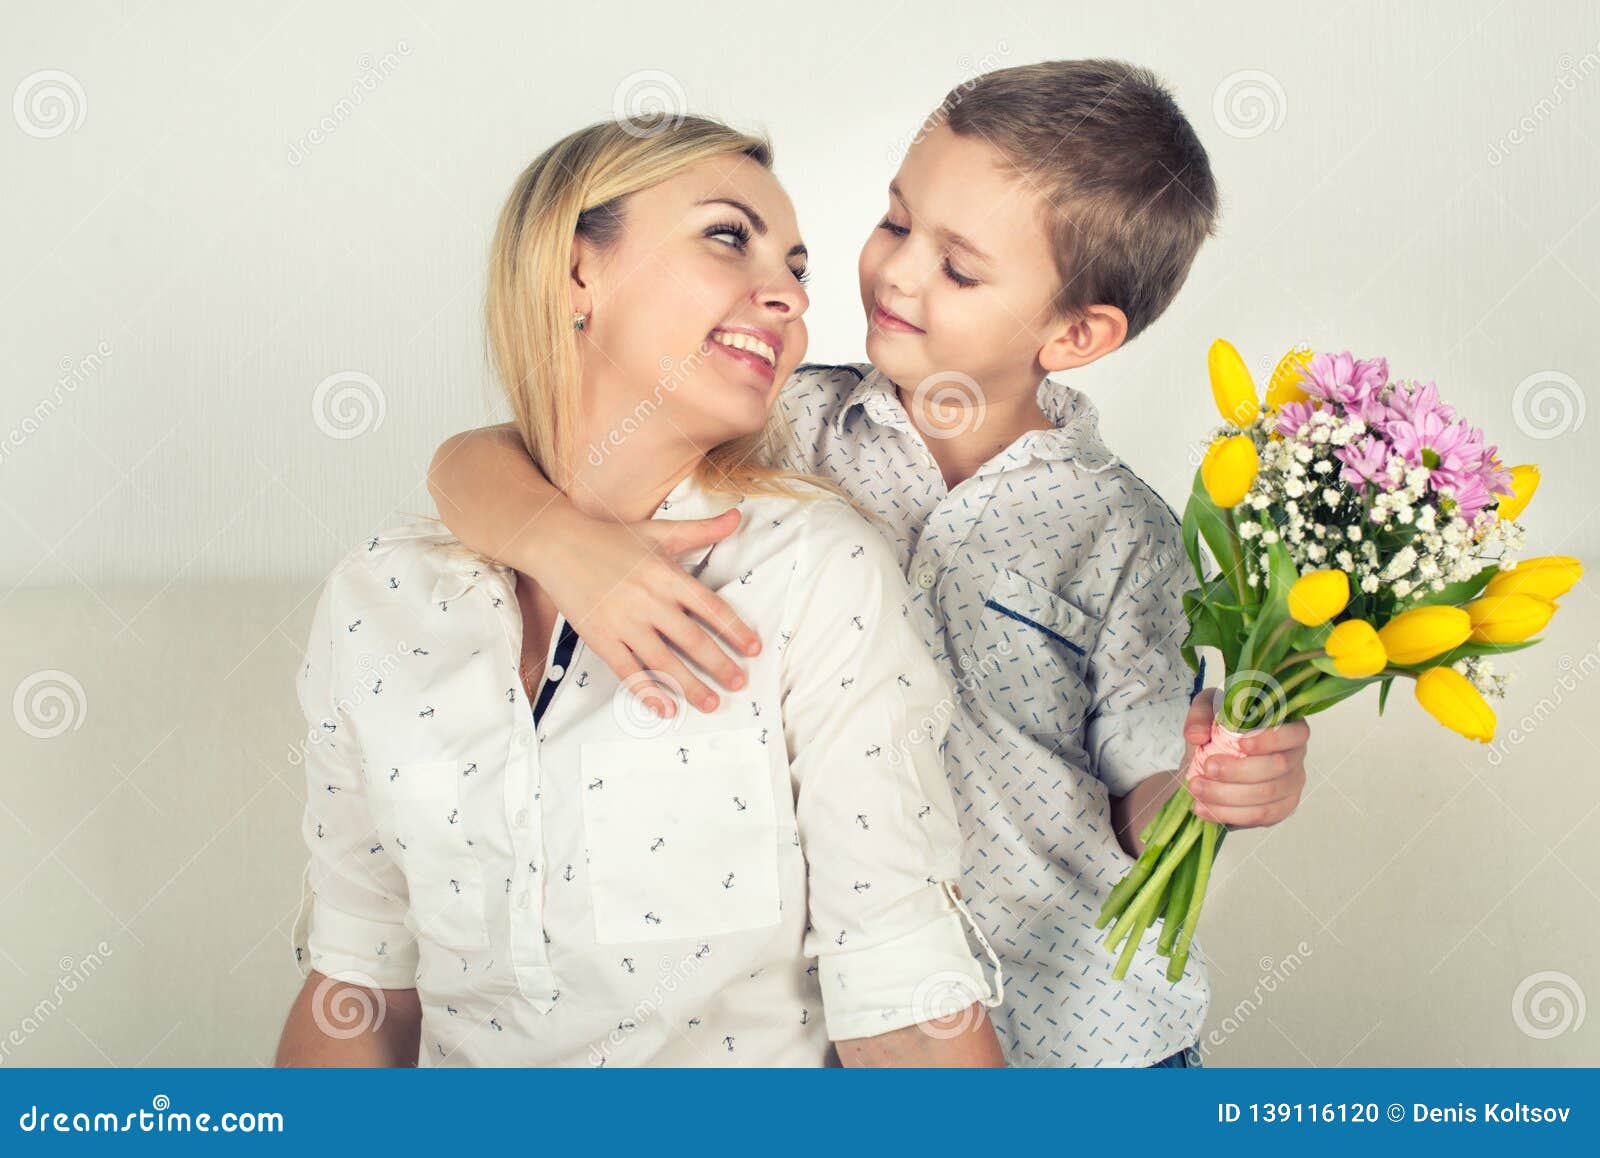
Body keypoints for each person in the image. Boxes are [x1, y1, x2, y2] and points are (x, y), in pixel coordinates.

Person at [425, 61, 1314, 1067]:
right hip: (857, 1027)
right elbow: (476, 462)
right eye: (896, 223)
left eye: (959, 268)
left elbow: (1142, 794)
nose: (895, 274)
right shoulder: (779, 419)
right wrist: (560, 543)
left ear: (1074, 333)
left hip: (1085, 1033)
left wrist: (1206, 793)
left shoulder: (1124, 534)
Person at [276, 114, 1006, 1067]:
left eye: (797, 268)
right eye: (727, 236)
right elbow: (359, 982)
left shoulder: (815, 573)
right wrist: (559, 545)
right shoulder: (380, 594)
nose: (785, 294)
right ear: (577, 273)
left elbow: (905, 1003)